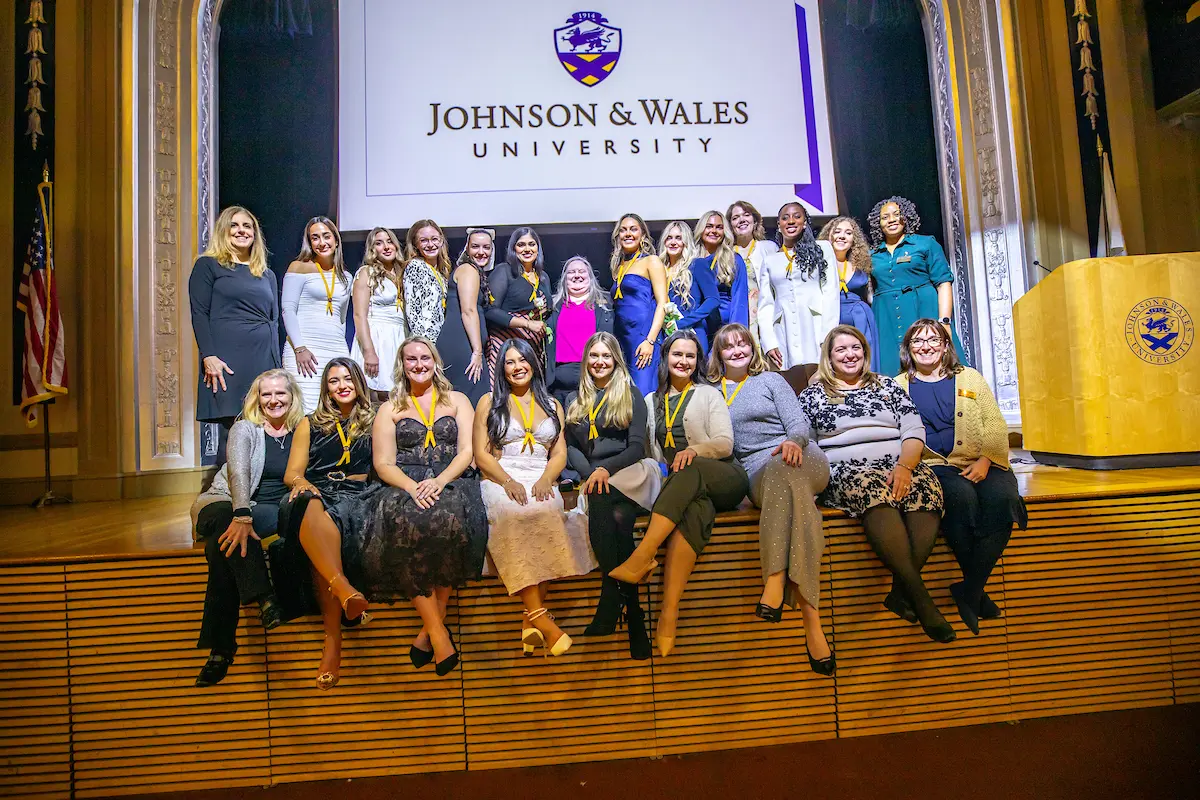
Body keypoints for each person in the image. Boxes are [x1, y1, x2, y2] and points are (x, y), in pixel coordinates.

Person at [339, 337, 488, 676]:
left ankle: (429, 631)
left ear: (435, 360)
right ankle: (438, 632)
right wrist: (412, 487)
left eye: (425, 357)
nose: (419, 364)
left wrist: (439, 482)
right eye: (411, 359)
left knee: (451, 519)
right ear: (401, 365)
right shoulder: (389, 408)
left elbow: (467, 452)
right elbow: (383, 462)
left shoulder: (458, 400)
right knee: (402, 518)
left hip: (451, 479)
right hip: (402, 483)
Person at [797, 325, 955, 643]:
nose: (850, 354)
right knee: (872, 487)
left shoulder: (887, 386)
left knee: (927, 487)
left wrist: (905, 467)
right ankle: (921, 600)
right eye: (840, 349)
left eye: (856, 347)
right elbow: (804, 441)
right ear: (828, 356)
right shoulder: (813, 395)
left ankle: (901, 591)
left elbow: (913, 429)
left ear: (865, 352)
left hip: (899, 464)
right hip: (845, 469)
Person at [609, 330, 749, 657]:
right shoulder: (649, 402)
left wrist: (695, 451)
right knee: (695, 510)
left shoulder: (709, 394)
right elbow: (648, 453)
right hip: (685, 489)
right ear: (666, 359)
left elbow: (725, 443)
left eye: (690, 356)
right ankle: (668, 613)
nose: (683, 361)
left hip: (724, 476)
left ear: (697, 361)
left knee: (690, 469)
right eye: (677, 355)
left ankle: (643, 556)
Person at [708, 323, 834, 676]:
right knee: (791, 494)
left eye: (743, 344)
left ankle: (776, 579)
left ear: (753, 349)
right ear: (718, 354)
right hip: (755, 472)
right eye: (728, 346)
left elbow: (799, 426)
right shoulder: (710, 392)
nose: (737, 351)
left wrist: (793, 442)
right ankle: (811, 618)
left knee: (786, 471)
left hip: (801, 456)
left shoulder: (771, 381)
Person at [896, 319, 1026, 634]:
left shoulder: (970, 378)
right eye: (917, 341)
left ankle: (969, 589)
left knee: (1004, 500)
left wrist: (985, 460)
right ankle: (974, 592)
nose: (925, 346)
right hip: (935, 465)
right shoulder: (897, 385)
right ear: (908, 349)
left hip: (983, 460)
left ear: (945, 346)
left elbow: (995, 424)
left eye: (933, 340)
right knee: (961, 498)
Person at [473, 339, 596, 657]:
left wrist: (546, 479)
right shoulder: (488, 402)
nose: (517, 367)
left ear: (533, 363)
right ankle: (542, 618)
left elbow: (559, 452)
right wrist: (507, 481)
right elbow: (480, 456)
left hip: (540, 475)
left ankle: (530, 618)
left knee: (547, 512)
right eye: (510, 362)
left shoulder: (553, 404)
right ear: (502, 368)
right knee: (515, 515)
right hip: (501, 476)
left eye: (522, 360)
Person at [191, 368, 304, 686]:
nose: (273, 400)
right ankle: (264, 595)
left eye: (280, 393)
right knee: (226, 524)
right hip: (224, 500)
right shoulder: (245, 428)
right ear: (257, 398)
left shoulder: (301, 430)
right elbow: (238, 473)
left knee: (219, 547)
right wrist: (241, 514)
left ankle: (221, 650)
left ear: (292, 396)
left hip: (268, 509)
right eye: (266, 394)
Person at [564, 331, 661, 660]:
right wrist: (590, 472)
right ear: (586, 360)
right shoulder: (574, 398)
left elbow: (635, 446)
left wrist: (604, 470)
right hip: (596, 478)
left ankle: (611, 598)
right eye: (594, 356)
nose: (599, 362)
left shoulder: (629, 392)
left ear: (616, 360)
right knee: (615, 517)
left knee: (604, 498)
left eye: (606, 356)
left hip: (631, 472)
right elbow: (570, 448)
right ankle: (633, 614)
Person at [282, 357, 376, 689]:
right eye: (334, 381)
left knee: (332, 534)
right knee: (309, 506)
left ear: (359, 383)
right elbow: (291, 473)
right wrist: (302, 483)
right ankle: (343, 596)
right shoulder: (310, 423)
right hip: (318, 491)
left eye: (347, 379)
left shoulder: (375, 420)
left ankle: (332, 642)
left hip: (360, 493)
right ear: (326, 388)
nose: (342, 386)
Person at [189, 206, 280, 464]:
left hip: (262, 358)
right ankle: (228, 495)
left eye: (247, 226)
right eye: (235, 226)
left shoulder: (266, 274)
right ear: (224, 232)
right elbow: (199, 313)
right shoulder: (208, 266)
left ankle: (260, 492)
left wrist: (276, 367)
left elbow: (273, 322)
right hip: (227, 359)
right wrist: (209, 355)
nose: (242, 231)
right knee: (234, 426)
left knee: (263, 423)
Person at [868, 196, 965, 376]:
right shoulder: (871, 254)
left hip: (923, 309)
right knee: (890, 370)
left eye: (897, 214)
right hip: (885, 317)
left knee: (936, 363)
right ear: (877, 223)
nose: (891, 220)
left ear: (906, 217)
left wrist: (944, 322)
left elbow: (943, 283)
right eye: (885, 217)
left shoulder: (925, 243)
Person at [281, 216, 351, 414]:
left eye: (326, 236)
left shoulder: (346, 276)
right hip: (305, 349)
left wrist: (342, 352)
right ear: (310, 243)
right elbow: (288, 310)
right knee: (306, 409)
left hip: (335, 348)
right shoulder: (299, 267)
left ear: (336, 240)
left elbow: (342, 318)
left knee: (335, 408)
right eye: (315, 238)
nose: (322, 242)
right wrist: (300, 348)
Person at [758, 202, 839, 370]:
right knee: (791, 379)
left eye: (797, 216)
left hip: (814, 325)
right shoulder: (770, 260)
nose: (791, 221)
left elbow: (830, 292)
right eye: (785, 218)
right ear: (779, 225)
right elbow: (766, 304)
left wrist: (829, 334)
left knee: (819, 375)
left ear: (805, 223)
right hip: (783, 329)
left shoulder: (822, 249)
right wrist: (769, 342)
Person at [610, 213, 669, 395]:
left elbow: (662, 304)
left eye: (633, 229)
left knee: (643, 395)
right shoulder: (618, 266)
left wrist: (650, 341)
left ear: (642, 234)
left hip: (643, 338)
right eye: (623, 230)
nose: (628, 234)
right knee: (626, 397)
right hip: (622, 340)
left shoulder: (651, 260)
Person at [545, 255, 614, 411]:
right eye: (571, 272)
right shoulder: (552, 307)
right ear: (564, 278)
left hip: (594, 379)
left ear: (590, 277)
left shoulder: (606, 304)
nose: (577, 275)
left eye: (582, 271)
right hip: (558, 385)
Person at [484, 227, 553, 380]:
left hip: (531, 349)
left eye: (531, 244)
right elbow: (490, 310)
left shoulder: (543, 277)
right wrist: (527, 324)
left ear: (538, 248)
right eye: (521, 245)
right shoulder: (504, 271)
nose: (527, 249)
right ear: (513, 248)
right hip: (505, 345)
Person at [437, 228, 493, 404]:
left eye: (486, 247)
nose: (481, 252)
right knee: (474, 402)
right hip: (463, 346)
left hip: (465, 343)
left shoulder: (473, 271)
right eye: (475, 246)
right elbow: (468, 310)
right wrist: (477, 351)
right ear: (467, 249)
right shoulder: (469, 270)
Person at [350, 226, 407, 399]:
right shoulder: (367, 273)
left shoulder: (402, 273)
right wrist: (369, 351)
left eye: (390, 242)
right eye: (379, 243)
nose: (386, 247)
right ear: (372, 249)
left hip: (399, 336)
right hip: (378, 338)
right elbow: (359, 315)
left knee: (399, 394)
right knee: (379, 395)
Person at [819, 215, 880, 373]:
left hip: (860, 316)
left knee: (864, 359)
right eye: (837, 231)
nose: (842, 236)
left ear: (854, 239)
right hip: (830, 315)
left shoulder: (861, 263)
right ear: (828, 235)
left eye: (848, 233)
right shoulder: (818, 264)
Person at [657, 220, 720, 354]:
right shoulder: (659, 269)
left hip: (692, 333)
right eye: (669, 238)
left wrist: (683, 323)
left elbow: (713, 300)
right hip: (665, 335)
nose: (673, 242)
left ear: (686, 241)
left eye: (678, 238)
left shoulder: (697, 264)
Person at [692, 210, 748, 346]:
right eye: (709, 226)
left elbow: (739, 300)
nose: (714, 231)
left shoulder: (733, 259)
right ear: (701, 229)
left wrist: (736, 335)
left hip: (723, 329)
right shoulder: (690, 260)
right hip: (695, 329)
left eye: (719, 227)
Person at [727, 200, 779, 339]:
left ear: (755, 221)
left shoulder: (770, 248)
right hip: (740, 318)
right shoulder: (726, 255)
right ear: (730, 226)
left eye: (746, 215)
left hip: (768, 316)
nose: (741, 220)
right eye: (735, 218)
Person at [402, 219, 453, 342]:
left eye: (434, 239)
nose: (430, 244)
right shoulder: (416, 266)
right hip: (426, 342)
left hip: (440, 340)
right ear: (416, 245)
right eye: (424, 240)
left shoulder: (441, 273)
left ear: (441, 241)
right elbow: (413, 312)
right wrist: (423, 344)